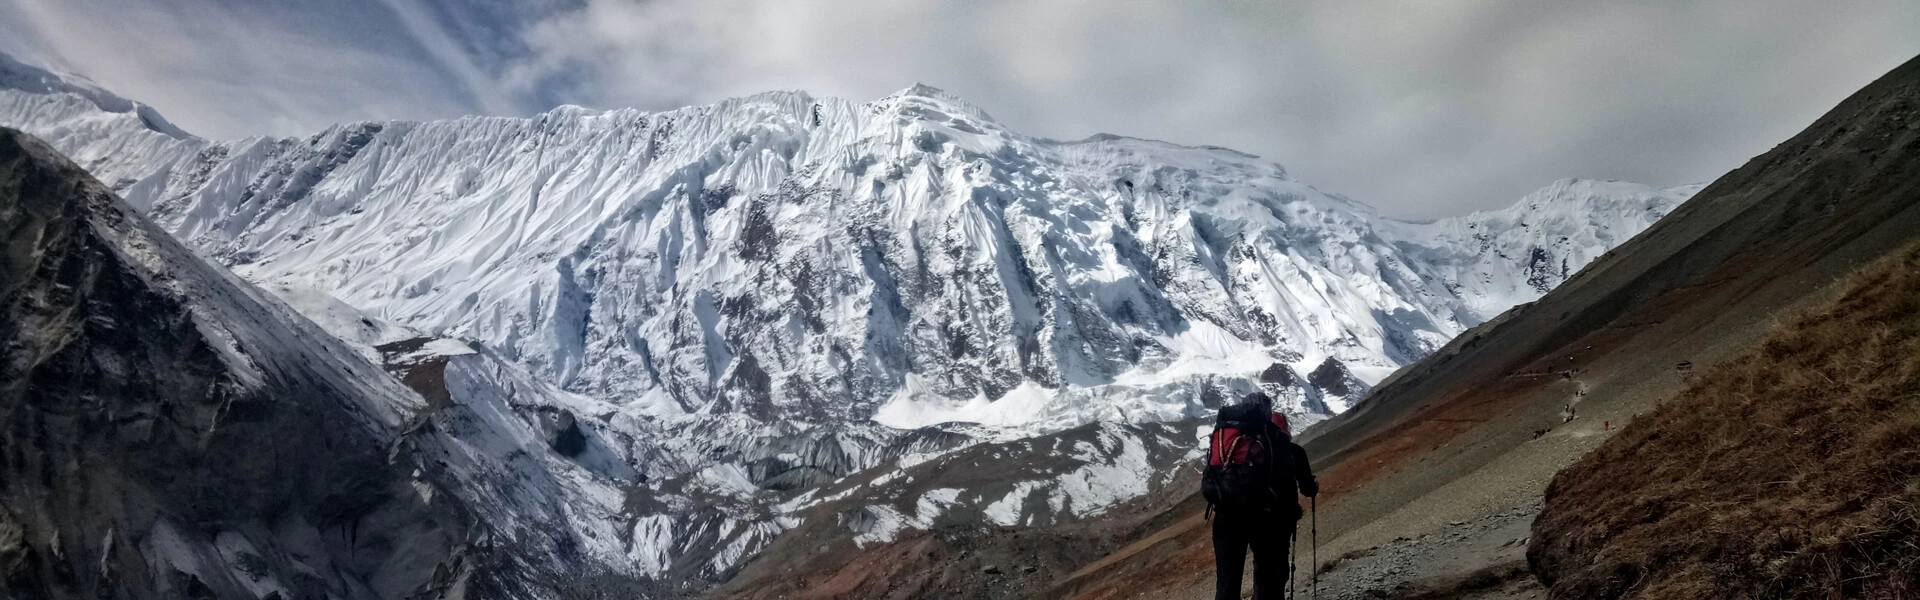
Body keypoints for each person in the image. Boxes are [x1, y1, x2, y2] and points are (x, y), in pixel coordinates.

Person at [1204, 391, 1317, 600]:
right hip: (1264, 519)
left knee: (1227, 582)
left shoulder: (1225, 436)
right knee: (1268, 579)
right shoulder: (1278, 440)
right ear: (1267, 411)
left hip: (1225, 517)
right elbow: (1291, 485)